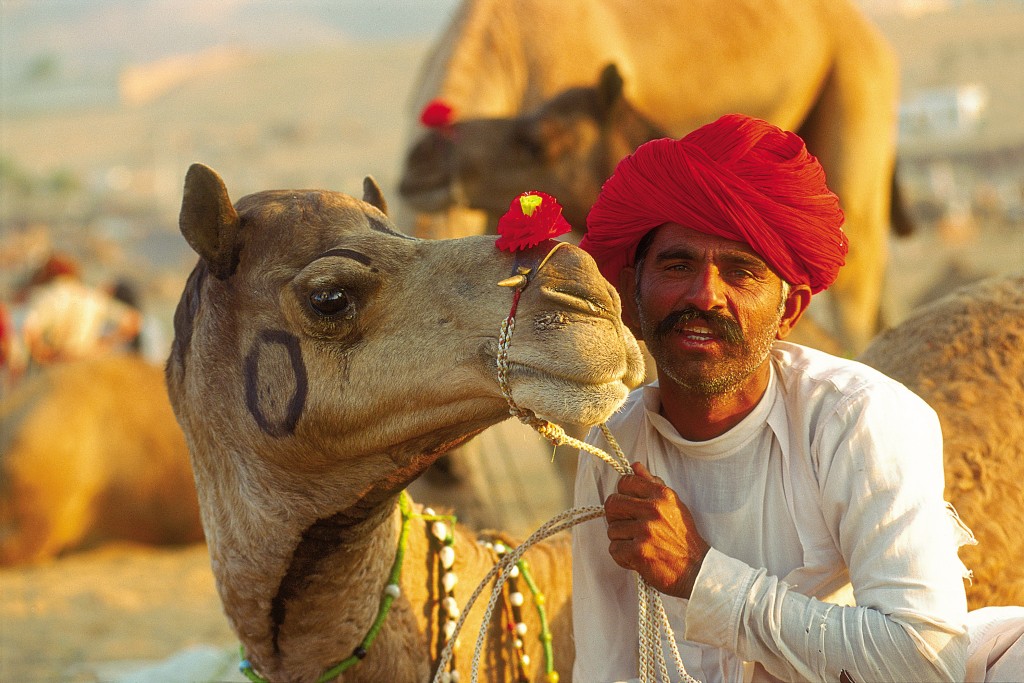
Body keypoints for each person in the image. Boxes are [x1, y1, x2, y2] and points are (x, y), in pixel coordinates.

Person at [571, 113, 975, 682]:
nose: (705, 295)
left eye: (741, 272)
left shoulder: (858, 420)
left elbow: (926, 663)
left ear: (789, 311)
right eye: (677, 264)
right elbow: (606, 662)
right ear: (632, 299)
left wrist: (701, 575)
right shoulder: (614, 445)